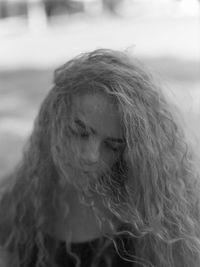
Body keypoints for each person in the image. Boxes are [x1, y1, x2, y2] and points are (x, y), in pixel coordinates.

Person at [0, 49, 200, 267]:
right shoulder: (14, 201)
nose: (91, 156)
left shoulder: (154, 213)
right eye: (80, 132)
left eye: (113, 146)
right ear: (54, 120)